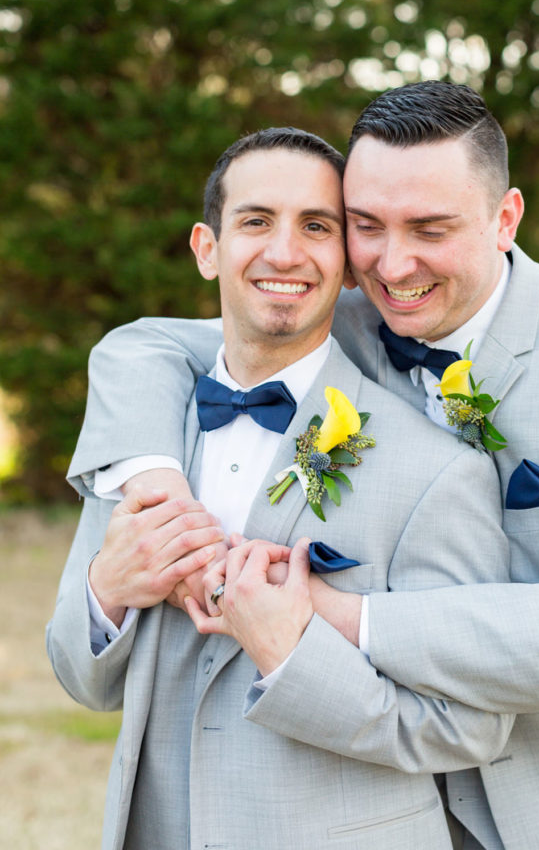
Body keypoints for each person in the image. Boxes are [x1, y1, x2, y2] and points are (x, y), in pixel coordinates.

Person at [65, 82, 539, 850]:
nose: (393, 264)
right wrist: (159, 499)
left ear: (505, 219)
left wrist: (318, 609)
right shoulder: (345, 309)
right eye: (366, 226)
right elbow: (144, 347)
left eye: (430, 228)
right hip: (374, 794)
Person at [47, 125, 514, 850]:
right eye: (256, 221)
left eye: (316, 227)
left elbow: (467, 730)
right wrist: (105, 593)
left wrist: (291, 654)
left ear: (349, 264)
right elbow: (87, 683)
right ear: (208, 249)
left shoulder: (437, 470)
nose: (285, 252)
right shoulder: (144, 442)